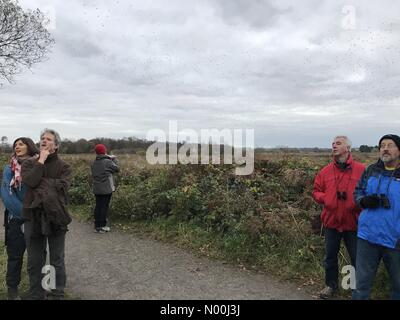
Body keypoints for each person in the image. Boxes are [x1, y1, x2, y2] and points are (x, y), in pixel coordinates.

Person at [21, 129, 71, 300]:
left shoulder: (64, 166)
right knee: (35, 260)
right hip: (33, 216)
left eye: (49, 139)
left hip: (56, 216)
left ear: (56, 146)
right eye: (42, 138)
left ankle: (57, 293)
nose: (44, 141)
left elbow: (62, 188)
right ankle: (37, 293)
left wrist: (40, 184)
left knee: (57, 259)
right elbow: (30, 181)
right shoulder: (29, 164)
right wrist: (40, 161)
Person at [312, 136, 365, 299]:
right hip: (331, 221)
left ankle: (354, 288)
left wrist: (358, 202)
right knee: (330, 257)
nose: (334, 146)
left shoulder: (362, 170)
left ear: (348, 148)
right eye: (333, 144)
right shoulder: (325, 171)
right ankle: (330, 286)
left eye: (338, 143)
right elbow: (316, 191)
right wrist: (326, 198)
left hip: (353, 222)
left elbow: (368, 192)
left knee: (356, 258)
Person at [353, 134, 400, 300]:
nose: (385, 148)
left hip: (395, 240)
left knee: (398, 286)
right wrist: (363, 201)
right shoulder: (371, 170)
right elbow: (358, 192)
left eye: (390, 145)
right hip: (368, 237)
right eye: (382, 146)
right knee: (360, 285)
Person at [1, 138, 39, 300]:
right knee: (15, 256)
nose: (17, 146)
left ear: (29, 147)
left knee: (37, 256)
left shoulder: (40, 166)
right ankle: (12, 288)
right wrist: (24, 214)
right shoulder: (9, 169)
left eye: (21, 144)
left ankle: (37, 289)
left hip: (37, 218)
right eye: (15, 145)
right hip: (17, 219)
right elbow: (7, 196)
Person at [91, 144, 119, 233]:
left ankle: (97, 226)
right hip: (106, 189)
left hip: (96, 188)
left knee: (98, 206)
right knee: (104, 207)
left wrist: (108, 158)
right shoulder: (108, 162)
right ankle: (102, 226)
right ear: (104, 151)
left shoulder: (94, 163)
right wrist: (113, 159)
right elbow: (117, 169)